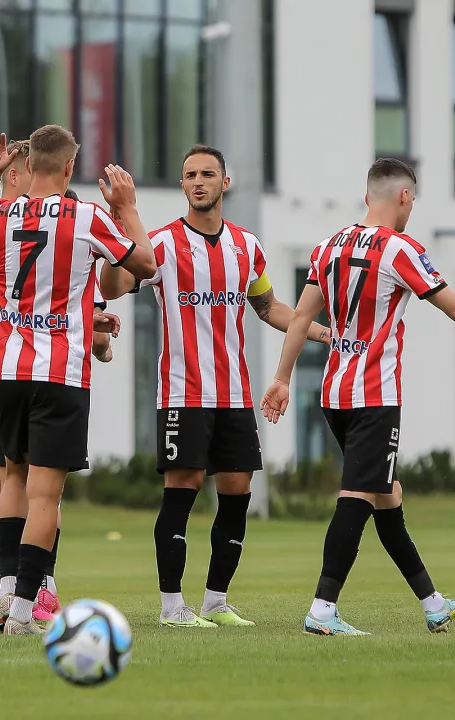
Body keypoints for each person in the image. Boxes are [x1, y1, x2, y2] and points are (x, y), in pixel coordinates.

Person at [260, 158, 455, 635]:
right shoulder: (399, 248)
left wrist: (283, 377)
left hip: (335, 392)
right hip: (374, 396)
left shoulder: (328, 246)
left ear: (367, 195)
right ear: (404, 198)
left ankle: (433, 604)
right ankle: (322, 610)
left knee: (386, 496)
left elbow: (300, 316)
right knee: (356, 496)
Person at [0, 125, 155, 635]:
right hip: (60, 371)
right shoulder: (86, 217)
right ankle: (22, 611)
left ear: (31, 165)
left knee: (13, 483)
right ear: (69, 167)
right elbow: (145, 266)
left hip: (6, 369)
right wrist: (127, 207)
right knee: (46, 496)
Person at [135, 145, 331, 629]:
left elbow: (269, 308)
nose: (197, 181)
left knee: (238, 491)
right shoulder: (159, 244)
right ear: (182, 186)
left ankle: (216, 603)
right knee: (183, 487)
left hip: (235, 395)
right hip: (183, 392)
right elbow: (115, 283)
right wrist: (125, 221)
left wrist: (318, 330)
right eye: (188, 175)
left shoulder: (247, 246)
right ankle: (170, 608)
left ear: (225, 182)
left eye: (207, 174)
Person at [0, 145, 119, 630]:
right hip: (28, 369)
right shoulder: (58, 223)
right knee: (31, 490)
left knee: (10, 483)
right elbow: (137, 269)